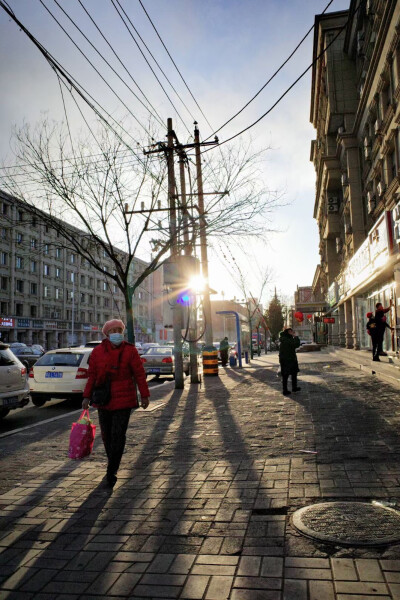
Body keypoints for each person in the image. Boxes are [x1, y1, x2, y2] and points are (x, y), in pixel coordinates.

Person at [82, 319, 150, 487]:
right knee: (106, 436)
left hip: (124, 400)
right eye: (113, 330)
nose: (116, 333)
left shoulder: (130, 350)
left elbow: (139, 374)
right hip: (103, 399)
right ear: (106, 334)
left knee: (118, 435)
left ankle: (111, 470)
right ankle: (112, 463)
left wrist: (145, 395)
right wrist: (86, 397)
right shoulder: (97, 352)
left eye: (119, 330)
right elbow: (92, 376)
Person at [278, 328, 301, 396]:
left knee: (294, 373)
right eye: (291, 331)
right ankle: (285, 390)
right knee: (285, 375)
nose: (292, 332)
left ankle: (294, 387)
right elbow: (296, 344)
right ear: (287, 332)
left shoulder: (287, 338)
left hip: (291, 359)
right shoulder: (285, 339)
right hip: (286, 360)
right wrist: (296, 337)